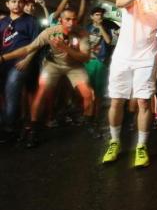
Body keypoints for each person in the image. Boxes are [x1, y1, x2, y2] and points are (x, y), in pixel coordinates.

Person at [101, 0, 157, 168]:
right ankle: (114, 142)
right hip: (123, 56)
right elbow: (119, 2)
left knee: (143, 102)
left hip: (147, 57)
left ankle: (141, 146)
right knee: (116, 101)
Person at [0, 8, 94, 147]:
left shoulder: (82, 33)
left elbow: (85, 58)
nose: (71, 22)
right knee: (42, 92)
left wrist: (65, 48)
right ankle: (33, 129)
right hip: (53, 65)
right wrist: (3, 58)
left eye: (74, 19)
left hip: (75, 66)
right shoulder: (50, 32)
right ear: (61, 20)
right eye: (67, 19)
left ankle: (89, 123)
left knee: (88, 94)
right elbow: (28, 48)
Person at [0, 0, 40, 142]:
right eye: (13, 1)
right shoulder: (3, 22)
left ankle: (8, 128)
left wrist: (27, 60)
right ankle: (9, 123)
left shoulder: (31, 21)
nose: (17, 4)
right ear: (7, 4)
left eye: (20, 2)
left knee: (12, 94)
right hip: (3, 63)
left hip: (21, 64)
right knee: (5, 97)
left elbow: (37, 44)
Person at [85, 7, 112, 128]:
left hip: (101, 62)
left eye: (101, 15)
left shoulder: (105, 28)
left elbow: (108, 41)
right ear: (91, 16)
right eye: (96, 15)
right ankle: (87, 115)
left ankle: (95, 117)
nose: (99, 17)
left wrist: (101, 27)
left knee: (99, 93)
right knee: (87, 91)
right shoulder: (87, 28)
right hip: (87, 62)